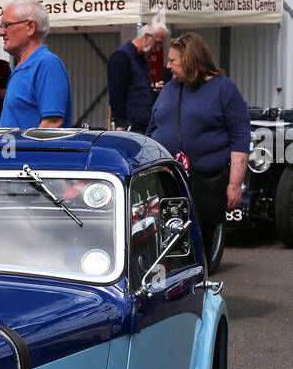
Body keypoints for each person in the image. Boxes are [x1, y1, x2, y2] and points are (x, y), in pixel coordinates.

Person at [146, 31, 249, 254]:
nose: (168, 65)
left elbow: (240, 137)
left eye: (173, 60)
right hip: (167, 175)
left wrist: (234, 185)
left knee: (200, 238)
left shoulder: (224, 89)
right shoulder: (170, 89)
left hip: (207, 179)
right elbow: (153, 126)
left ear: (190, 60)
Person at [0, 0, 72, 129]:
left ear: (30, 27)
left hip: (28, 150)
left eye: (6, 25)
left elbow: (52, 124)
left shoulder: (47, 64)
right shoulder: (21, 68)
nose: (0, 32)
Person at [107, 21, 168, 132]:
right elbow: (116, 95)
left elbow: (137, 90)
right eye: (157, 43)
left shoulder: (142, 59)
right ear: (146, 37)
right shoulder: (122, 57)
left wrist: (153, 90)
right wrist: (121, 126)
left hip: (144, 127)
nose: (158, 48)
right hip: (131, 128)